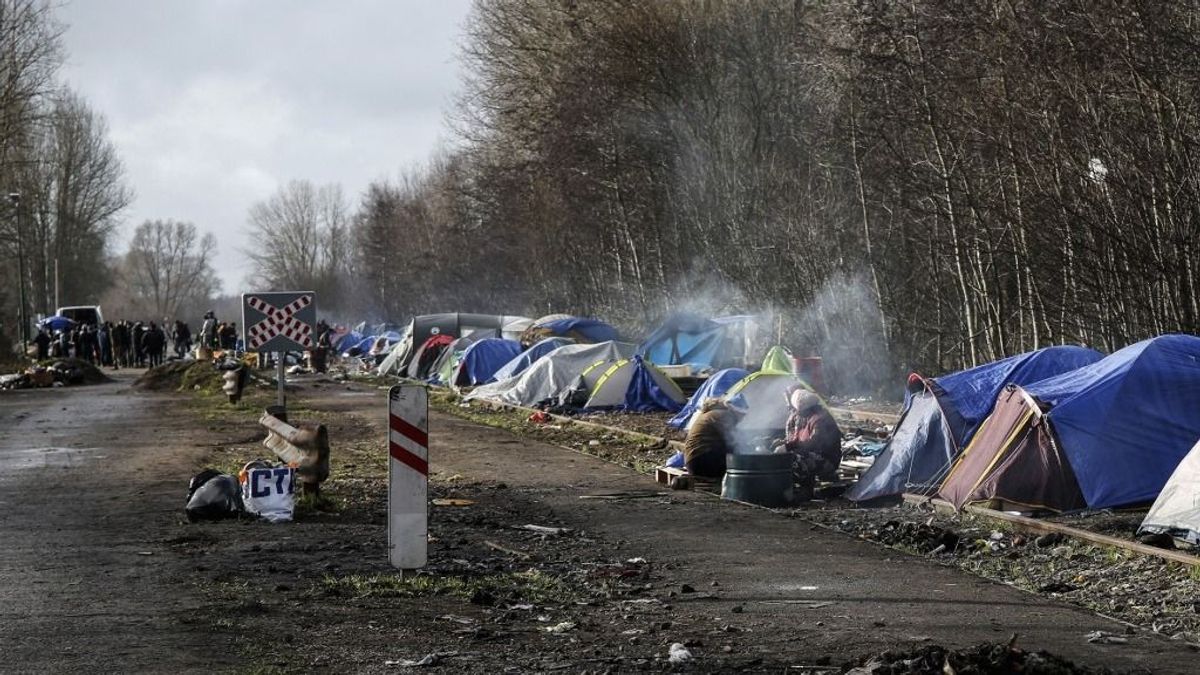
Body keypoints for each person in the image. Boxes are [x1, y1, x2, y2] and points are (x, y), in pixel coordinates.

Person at [775, 387, 842, 481]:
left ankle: (807, 486)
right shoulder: (798, 417)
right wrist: (782, 443)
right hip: (808, 454)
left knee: (795, 460)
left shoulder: (821, 419)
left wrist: (789, 447)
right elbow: (794, 439)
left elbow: (813, 444)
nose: (797, 413)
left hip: (826, 459)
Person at [682, 397, 746, 479]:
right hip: (701, 462)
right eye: (742, 415)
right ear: (736, 411)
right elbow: (732, 439)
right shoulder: (723, 415)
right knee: (739, 460)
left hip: (693, 462)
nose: (743, 418)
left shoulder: (714, 413)